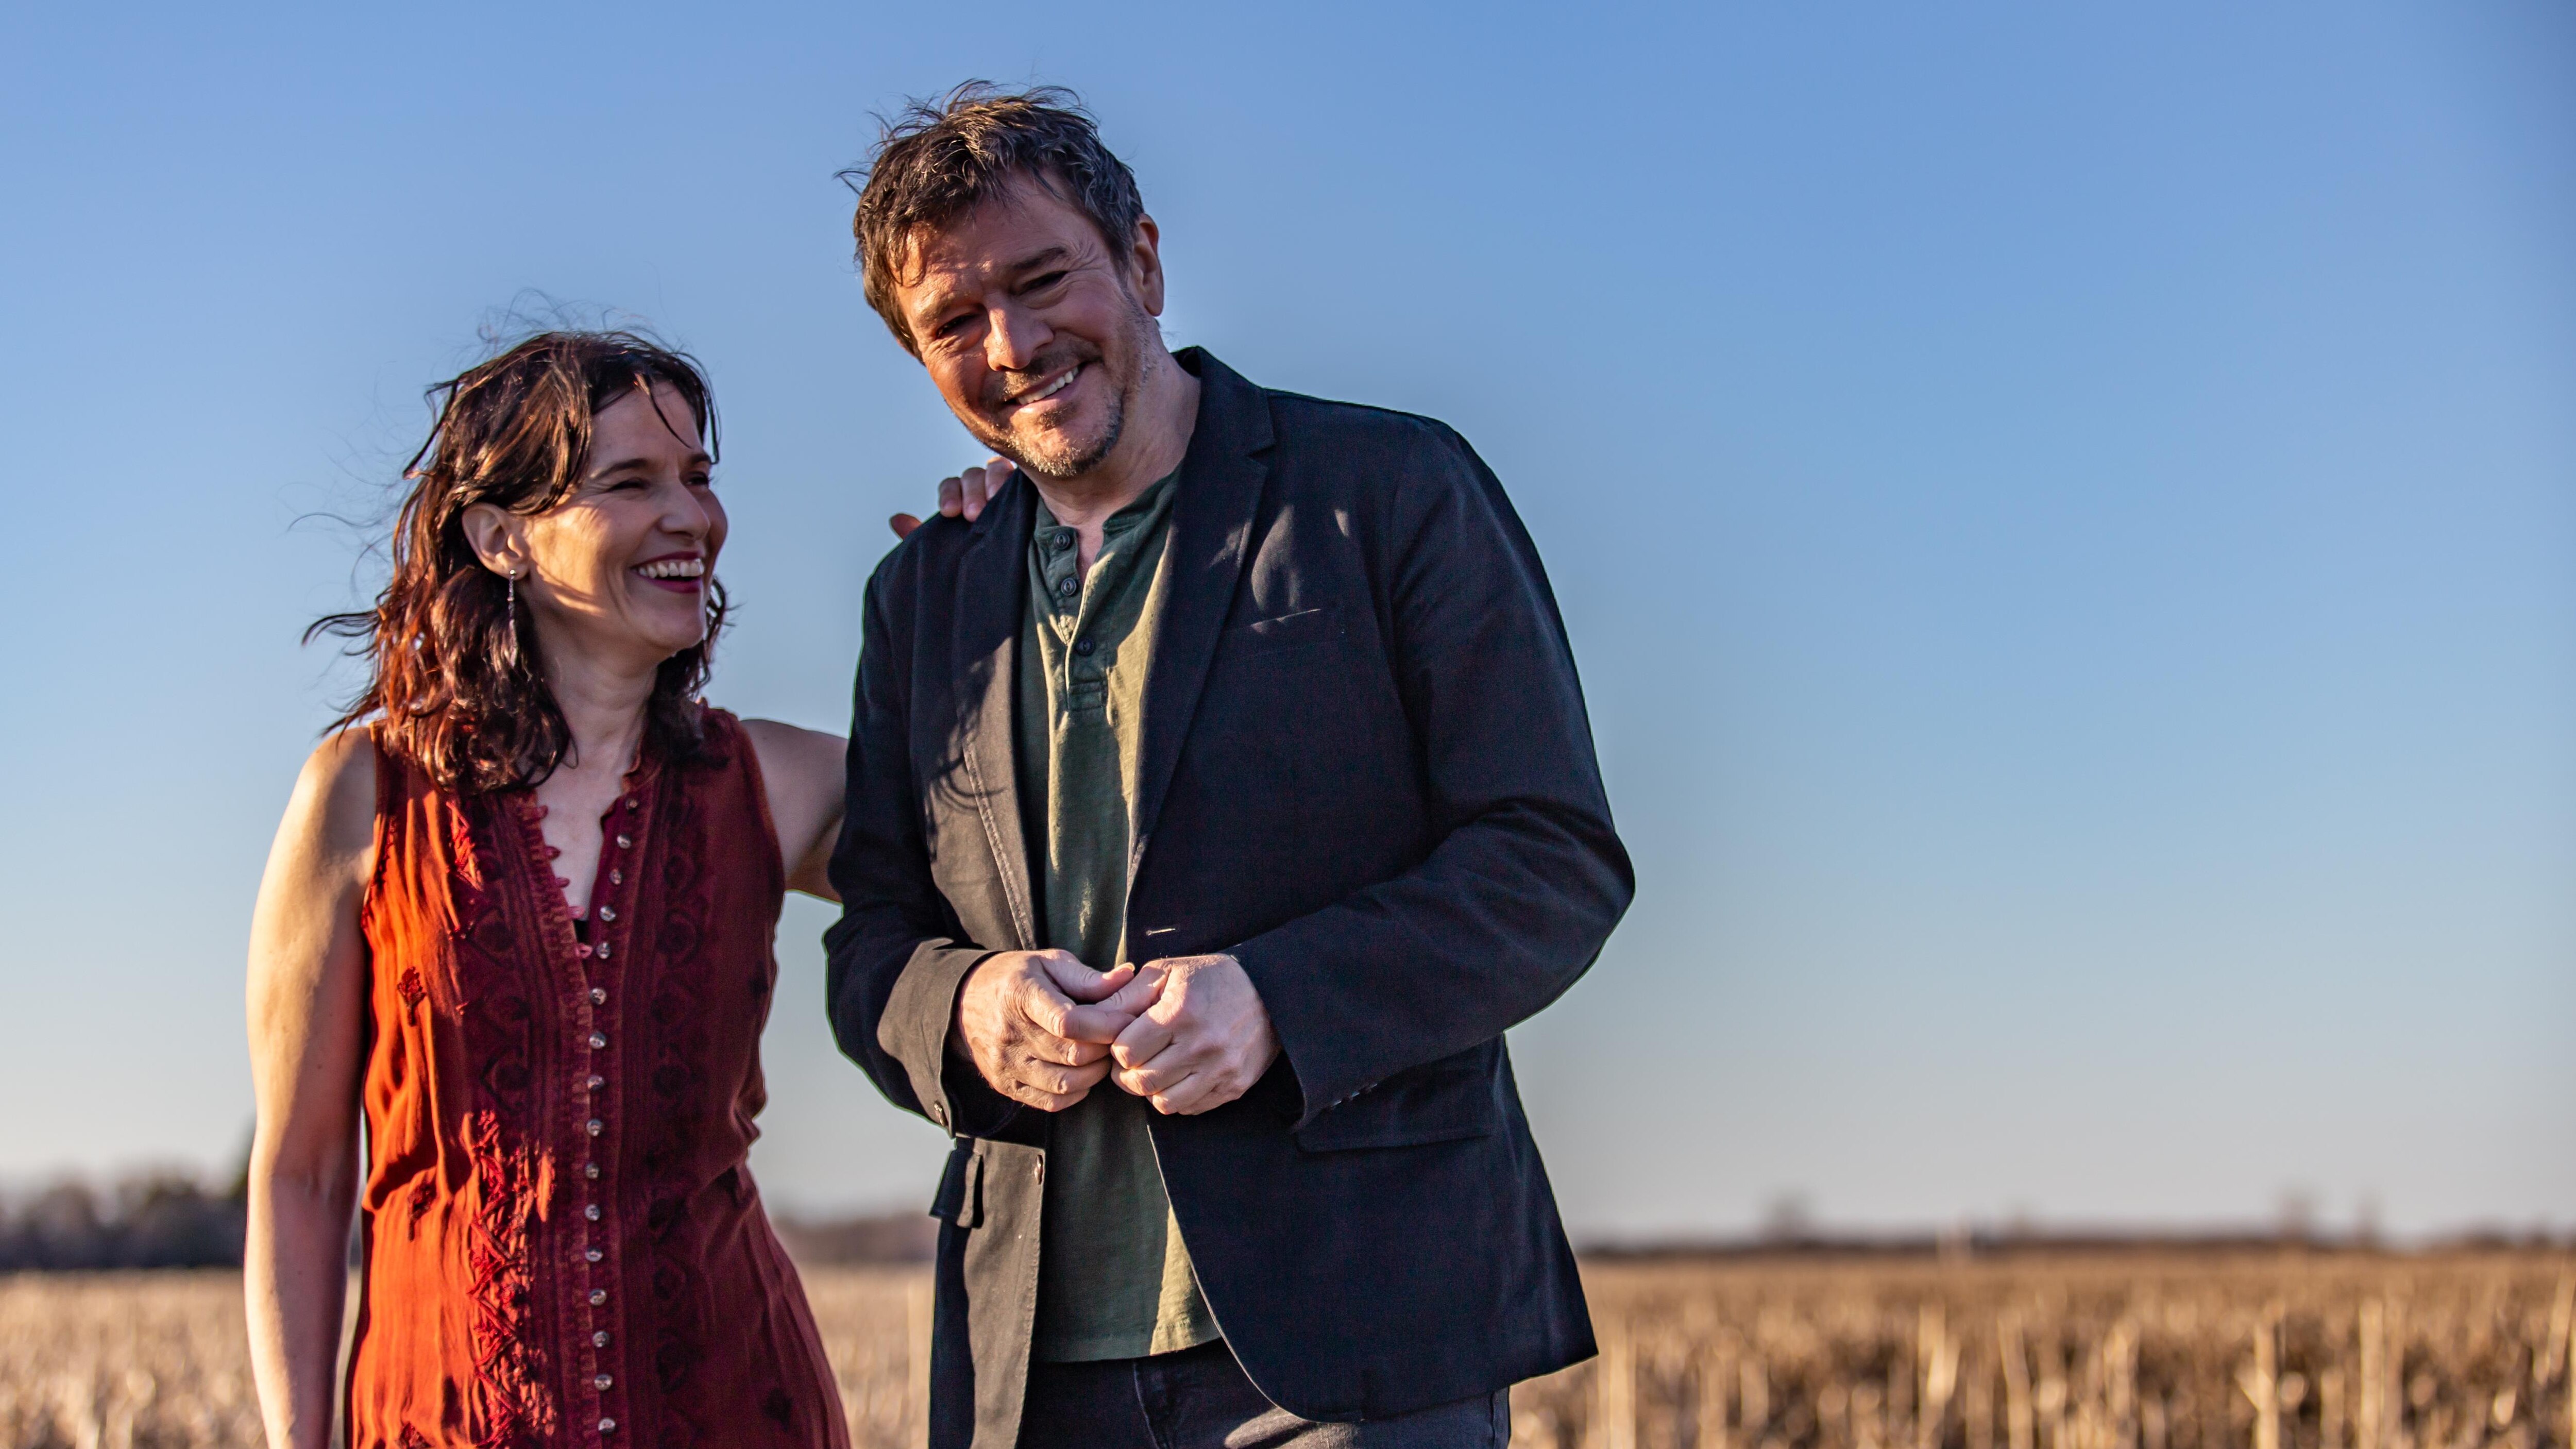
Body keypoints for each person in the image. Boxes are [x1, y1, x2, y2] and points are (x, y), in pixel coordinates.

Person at [825, 85, 1635, 1449]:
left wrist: (1278, 999)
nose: (1012, 346)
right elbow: (873, 948)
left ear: (1141, 259)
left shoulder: (1386, 488)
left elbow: (1551, 860)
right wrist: (966, 1008)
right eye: (955, 323)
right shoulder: (922, 595)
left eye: (1041, 281)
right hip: (1035, 1366)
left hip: (1354, 1348)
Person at [242, 332, 857, 1449]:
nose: (694, 518)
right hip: (440, 1420)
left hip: (738, 1410)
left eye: (700, 478)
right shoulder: (363, 797)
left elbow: (1031, 839)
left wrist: (1003, 557)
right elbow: (301, 1168)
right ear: (502, 537)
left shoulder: (785, 781)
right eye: (631, 482)